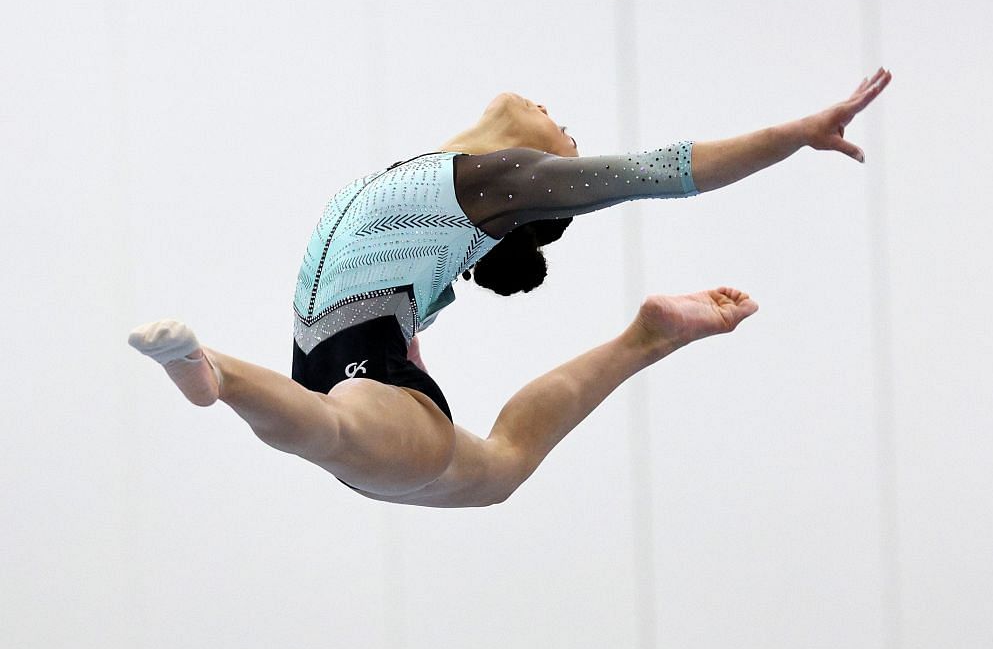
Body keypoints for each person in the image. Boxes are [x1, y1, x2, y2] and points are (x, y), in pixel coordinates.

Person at [127, 68, 892, 507]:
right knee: (499, 470)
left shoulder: (498, 183)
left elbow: (666, 171)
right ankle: (646, 338)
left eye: (569, 138)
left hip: (351, 393)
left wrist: (794, 135)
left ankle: (215, 372)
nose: (559, 119)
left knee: (342, 435)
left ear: (544, 175)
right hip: (357, 376)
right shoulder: (429, 186)